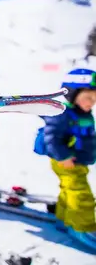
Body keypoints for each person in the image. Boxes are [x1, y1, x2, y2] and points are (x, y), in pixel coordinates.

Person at [34, 68, 96, 250]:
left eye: (94, 99)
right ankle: (84, 228)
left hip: (78, 161)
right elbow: (51, 138)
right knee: (81, 194)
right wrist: (64, 157)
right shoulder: (62, 114)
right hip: (67, 161)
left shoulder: (82, 112)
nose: (91, 103)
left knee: (68, 191)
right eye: (88, 98)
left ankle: (64, 220)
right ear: (72, 93)